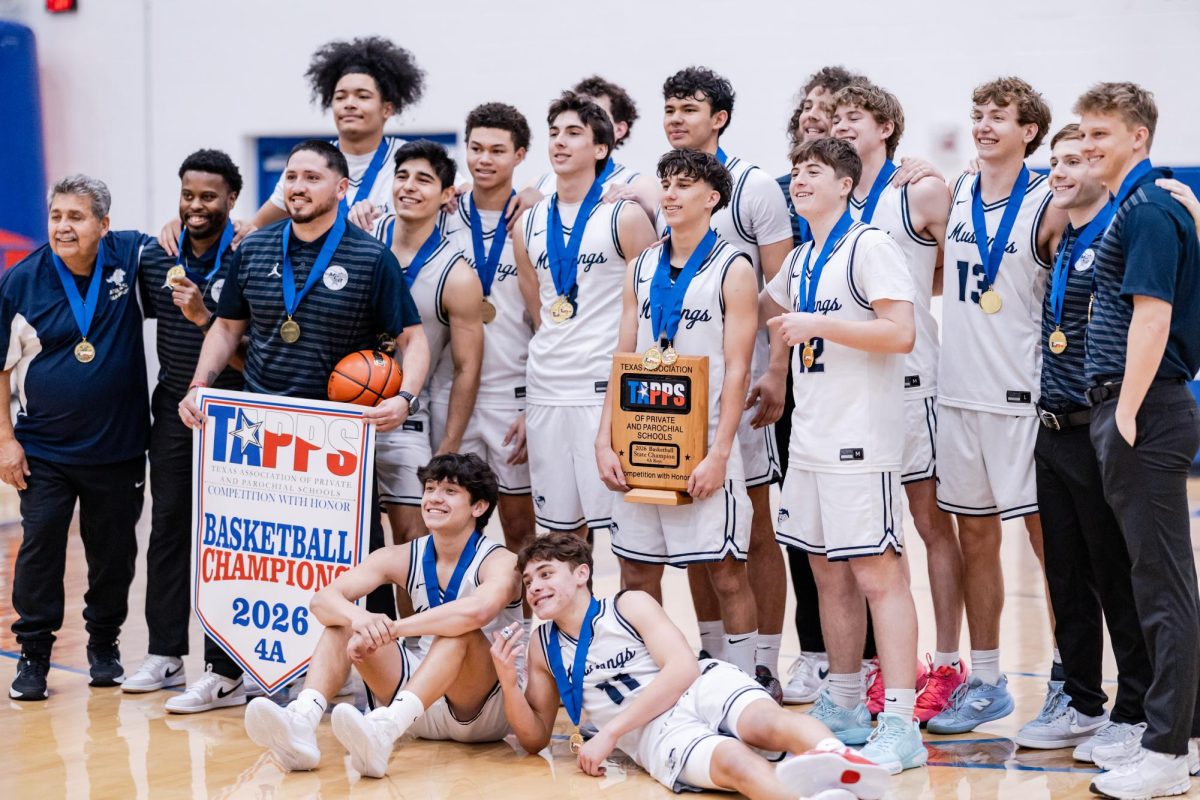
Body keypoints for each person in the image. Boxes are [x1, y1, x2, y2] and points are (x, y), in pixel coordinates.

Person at [173, 139, 429, 711]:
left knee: (357, 557)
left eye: (312, 177)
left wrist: (405, 397)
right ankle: (224, 672)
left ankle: (376, 679)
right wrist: (199, 384)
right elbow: (226, 328)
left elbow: (413, 339)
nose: (297, 187)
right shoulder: (255, 247)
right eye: (291, 176)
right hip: (259, 428)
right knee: (244, 549)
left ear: (341, 188)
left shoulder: (370, 258)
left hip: (334, 435)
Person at [491, 532, 892, 800]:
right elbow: (534, 739)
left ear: (582, 574)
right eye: (528, 582)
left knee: (766, 722)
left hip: (695, 687)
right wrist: (509, 682)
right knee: (735, 764)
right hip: (655, 733)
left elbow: (683, 668)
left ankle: (842, 760)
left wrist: (610, 732)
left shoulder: (628, 605)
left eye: (545, 574)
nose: (535, 587)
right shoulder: (542, 647)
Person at [763, 137, 924, 773]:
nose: (799, 181)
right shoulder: (802, 257)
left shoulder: (869, 246)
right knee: (827, 573)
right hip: (810, 439)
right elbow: (765, 309)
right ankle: (847, 701)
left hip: (862, 441)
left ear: (846, 185)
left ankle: (902, 724)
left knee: (878, 577)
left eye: (814, 172)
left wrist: (819, 325)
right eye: (795, 171)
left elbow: (901, 332)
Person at [927, 77, 1067, 735]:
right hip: (959, 395)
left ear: (1028, 131)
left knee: (1049, 546)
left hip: (1021, 401)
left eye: (999, 117)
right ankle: (986, 681)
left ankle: (1071, 680)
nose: (983, 126)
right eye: (978, 114)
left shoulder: (1048, 202)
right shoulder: (956, 191)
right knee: (975, 539)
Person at [243, 453, 523, 777]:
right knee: (343, 623)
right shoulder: (399, 555)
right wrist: (360, 620)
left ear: (479, 506)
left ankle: (384, 730)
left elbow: (476, 612)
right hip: (416, 704)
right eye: (430, 488)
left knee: (459, 633)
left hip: (481, 709)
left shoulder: (501, 561)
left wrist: (392, 628)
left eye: (449, 491)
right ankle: (302, 722)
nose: (434, 498)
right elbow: (322, 600)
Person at [1011, 124, 1153, 755]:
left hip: (1097, 427)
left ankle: (1137, 710)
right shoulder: (1064, 238)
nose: (1061, 172)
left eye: (1076, 160)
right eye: (1056, 162)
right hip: (1050, 429)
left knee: (1114, 574)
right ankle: (1082, 702)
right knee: (1066, 576)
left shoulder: (1118, 233)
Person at [1077, 82, 1200, 799]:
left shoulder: (1148, 208)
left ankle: (1165, 753)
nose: (1088, 144)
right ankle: (1184, 738)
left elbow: (1152, 316)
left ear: (1138, 138)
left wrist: (1124, 412)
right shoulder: (1148, 204)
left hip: (1143, 410)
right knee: (1160, 582)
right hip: (1139, 407)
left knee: (1161, 586)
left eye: (1102, 133)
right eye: (1084, 132)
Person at [595, 148, 760, 678]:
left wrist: (720, 454)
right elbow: (622, 357)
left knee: (725, 571)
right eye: (665, 183)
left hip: (703, 441)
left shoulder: (733, 268)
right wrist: (604, 439)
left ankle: (743, 680)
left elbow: (738, 369)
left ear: (712, 198)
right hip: (640, 435)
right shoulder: (640, 265)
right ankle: (651, 678)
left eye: (684, 184)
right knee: (636, 572)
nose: (669, 193)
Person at [660, 66, 792, 696]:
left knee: (755, 526)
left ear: (719, 118)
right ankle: (712, 655)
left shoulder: (755, 186)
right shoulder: (662, 188)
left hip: (743, 384)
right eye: (669, 108)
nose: (676, 118)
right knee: (693, 522)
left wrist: (776, 369)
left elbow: (784, 287)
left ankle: (762, 660)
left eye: (689, 108)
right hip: (676, 393)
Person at [831, 83, 961, 722]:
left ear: (885, 127)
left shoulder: (919, 191)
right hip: (854, 392)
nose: (840, 125)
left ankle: (948, 663)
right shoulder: (833, 199)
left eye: (853, 117)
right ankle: (894, 666)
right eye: (834, 118)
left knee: (930, 523)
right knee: (879, 537)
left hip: (912, 383)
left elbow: (966, 263)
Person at [4, 175, 150, 701]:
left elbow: (183, 242)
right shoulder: (21, 281)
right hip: (44, 450)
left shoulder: (129, 257)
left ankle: (104, 645)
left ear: (104, 224)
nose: (63, 227)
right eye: (56, 216)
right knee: (40, 548)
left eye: (76, 217)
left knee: (113, 555)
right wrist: (5, 441)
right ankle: (33, 655)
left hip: (119, 448)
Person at [123, 150, 248, 698]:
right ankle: (164, 655)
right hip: (174, 408)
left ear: (232, 200)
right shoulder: (158, 256)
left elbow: (247, 353)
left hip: (239, 412)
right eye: (187, 195)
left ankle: (227, 665)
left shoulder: (248, 254)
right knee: (169, 529)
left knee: (229, 537)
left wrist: (202, 316)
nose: (195, 206)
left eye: (208, 196)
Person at [512, 92, 657, 536]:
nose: (559, 141)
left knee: (628, 539)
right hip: (546, 388)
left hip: (602, 391)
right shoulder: (528, 222)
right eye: (554, 132)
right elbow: (537, 307)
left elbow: (650, 309)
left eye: (574, 133)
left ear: (601, 148)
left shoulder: (624, 216)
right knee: (559, 536)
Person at [438, 103, 537, 574]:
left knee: (519, 529)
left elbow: (545, 320)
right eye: (475, 148)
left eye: (497, 150)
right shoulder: (443, 214)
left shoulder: (534, 219)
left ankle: (521, 621)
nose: (484, 159)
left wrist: (534, 402)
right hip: (451, 392)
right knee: (454, 530)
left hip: (510, 393)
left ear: (519, 155)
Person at [370, 140, 483, 543]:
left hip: (407, 419)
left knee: (413, 541)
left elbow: (467, 367)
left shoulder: (457, 275)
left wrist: (447, 452)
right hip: (346, 411)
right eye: (402, 176)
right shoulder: (361, 237)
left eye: (423, 180)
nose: (409, 186)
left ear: (447, 194)